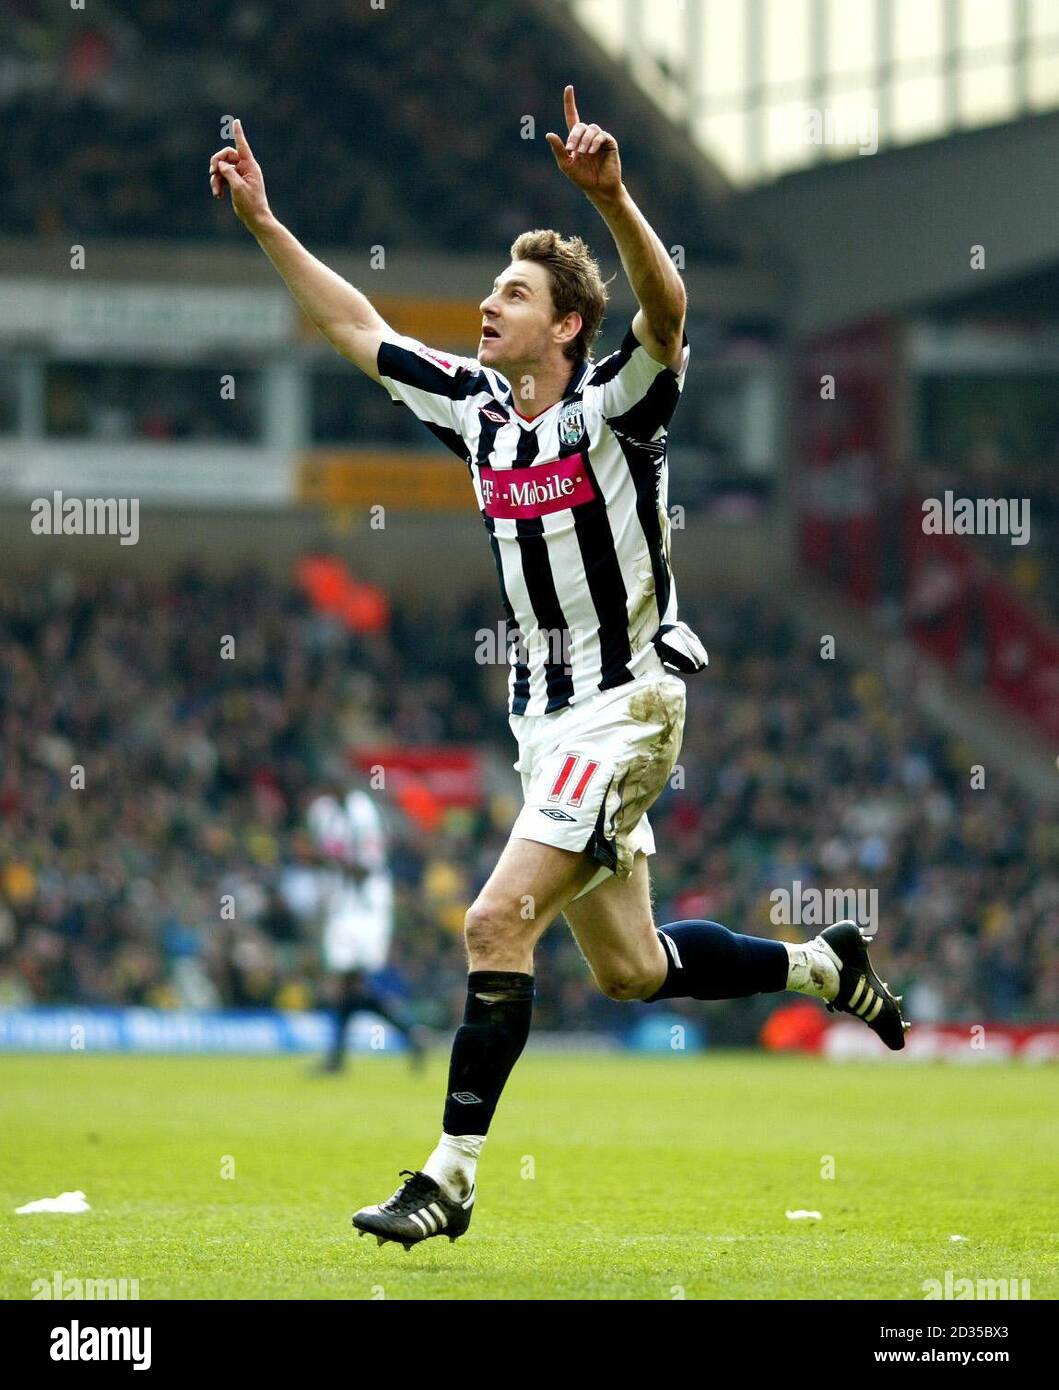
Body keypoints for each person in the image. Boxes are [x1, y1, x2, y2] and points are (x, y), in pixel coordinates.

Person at [210, 86, 908, 1250]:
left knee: (494, 921)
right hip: (546, 727)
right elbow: (355, 329)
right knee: (633, 970)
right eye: (492, 290)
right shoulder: (479, 415)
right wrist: (269, 229)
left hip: (628, 707)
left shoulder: (615, 412)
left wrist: (614, 198)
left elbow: (670, 317)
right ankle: (819, 964)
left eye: (515, 294)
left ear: (568, 326)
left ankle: (451, 1175)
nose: (489, 304)